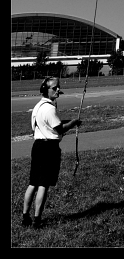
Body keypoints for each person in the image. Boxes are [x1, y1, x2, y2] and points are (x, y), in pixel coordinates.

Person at [22, 77, 81, 229]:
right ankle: (36, 220)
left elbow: (42, 125)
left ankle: (25, 217)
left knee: (33, 183)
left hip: (37, 146)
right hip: (49, 149)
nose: (57, 91)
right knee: (43, 184)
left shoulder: (38, 107)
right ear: (45, 90)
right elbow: (60, 129)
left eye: (58, 88)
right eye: (54, 88)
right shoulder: (50, 108)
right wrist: (74, 122)